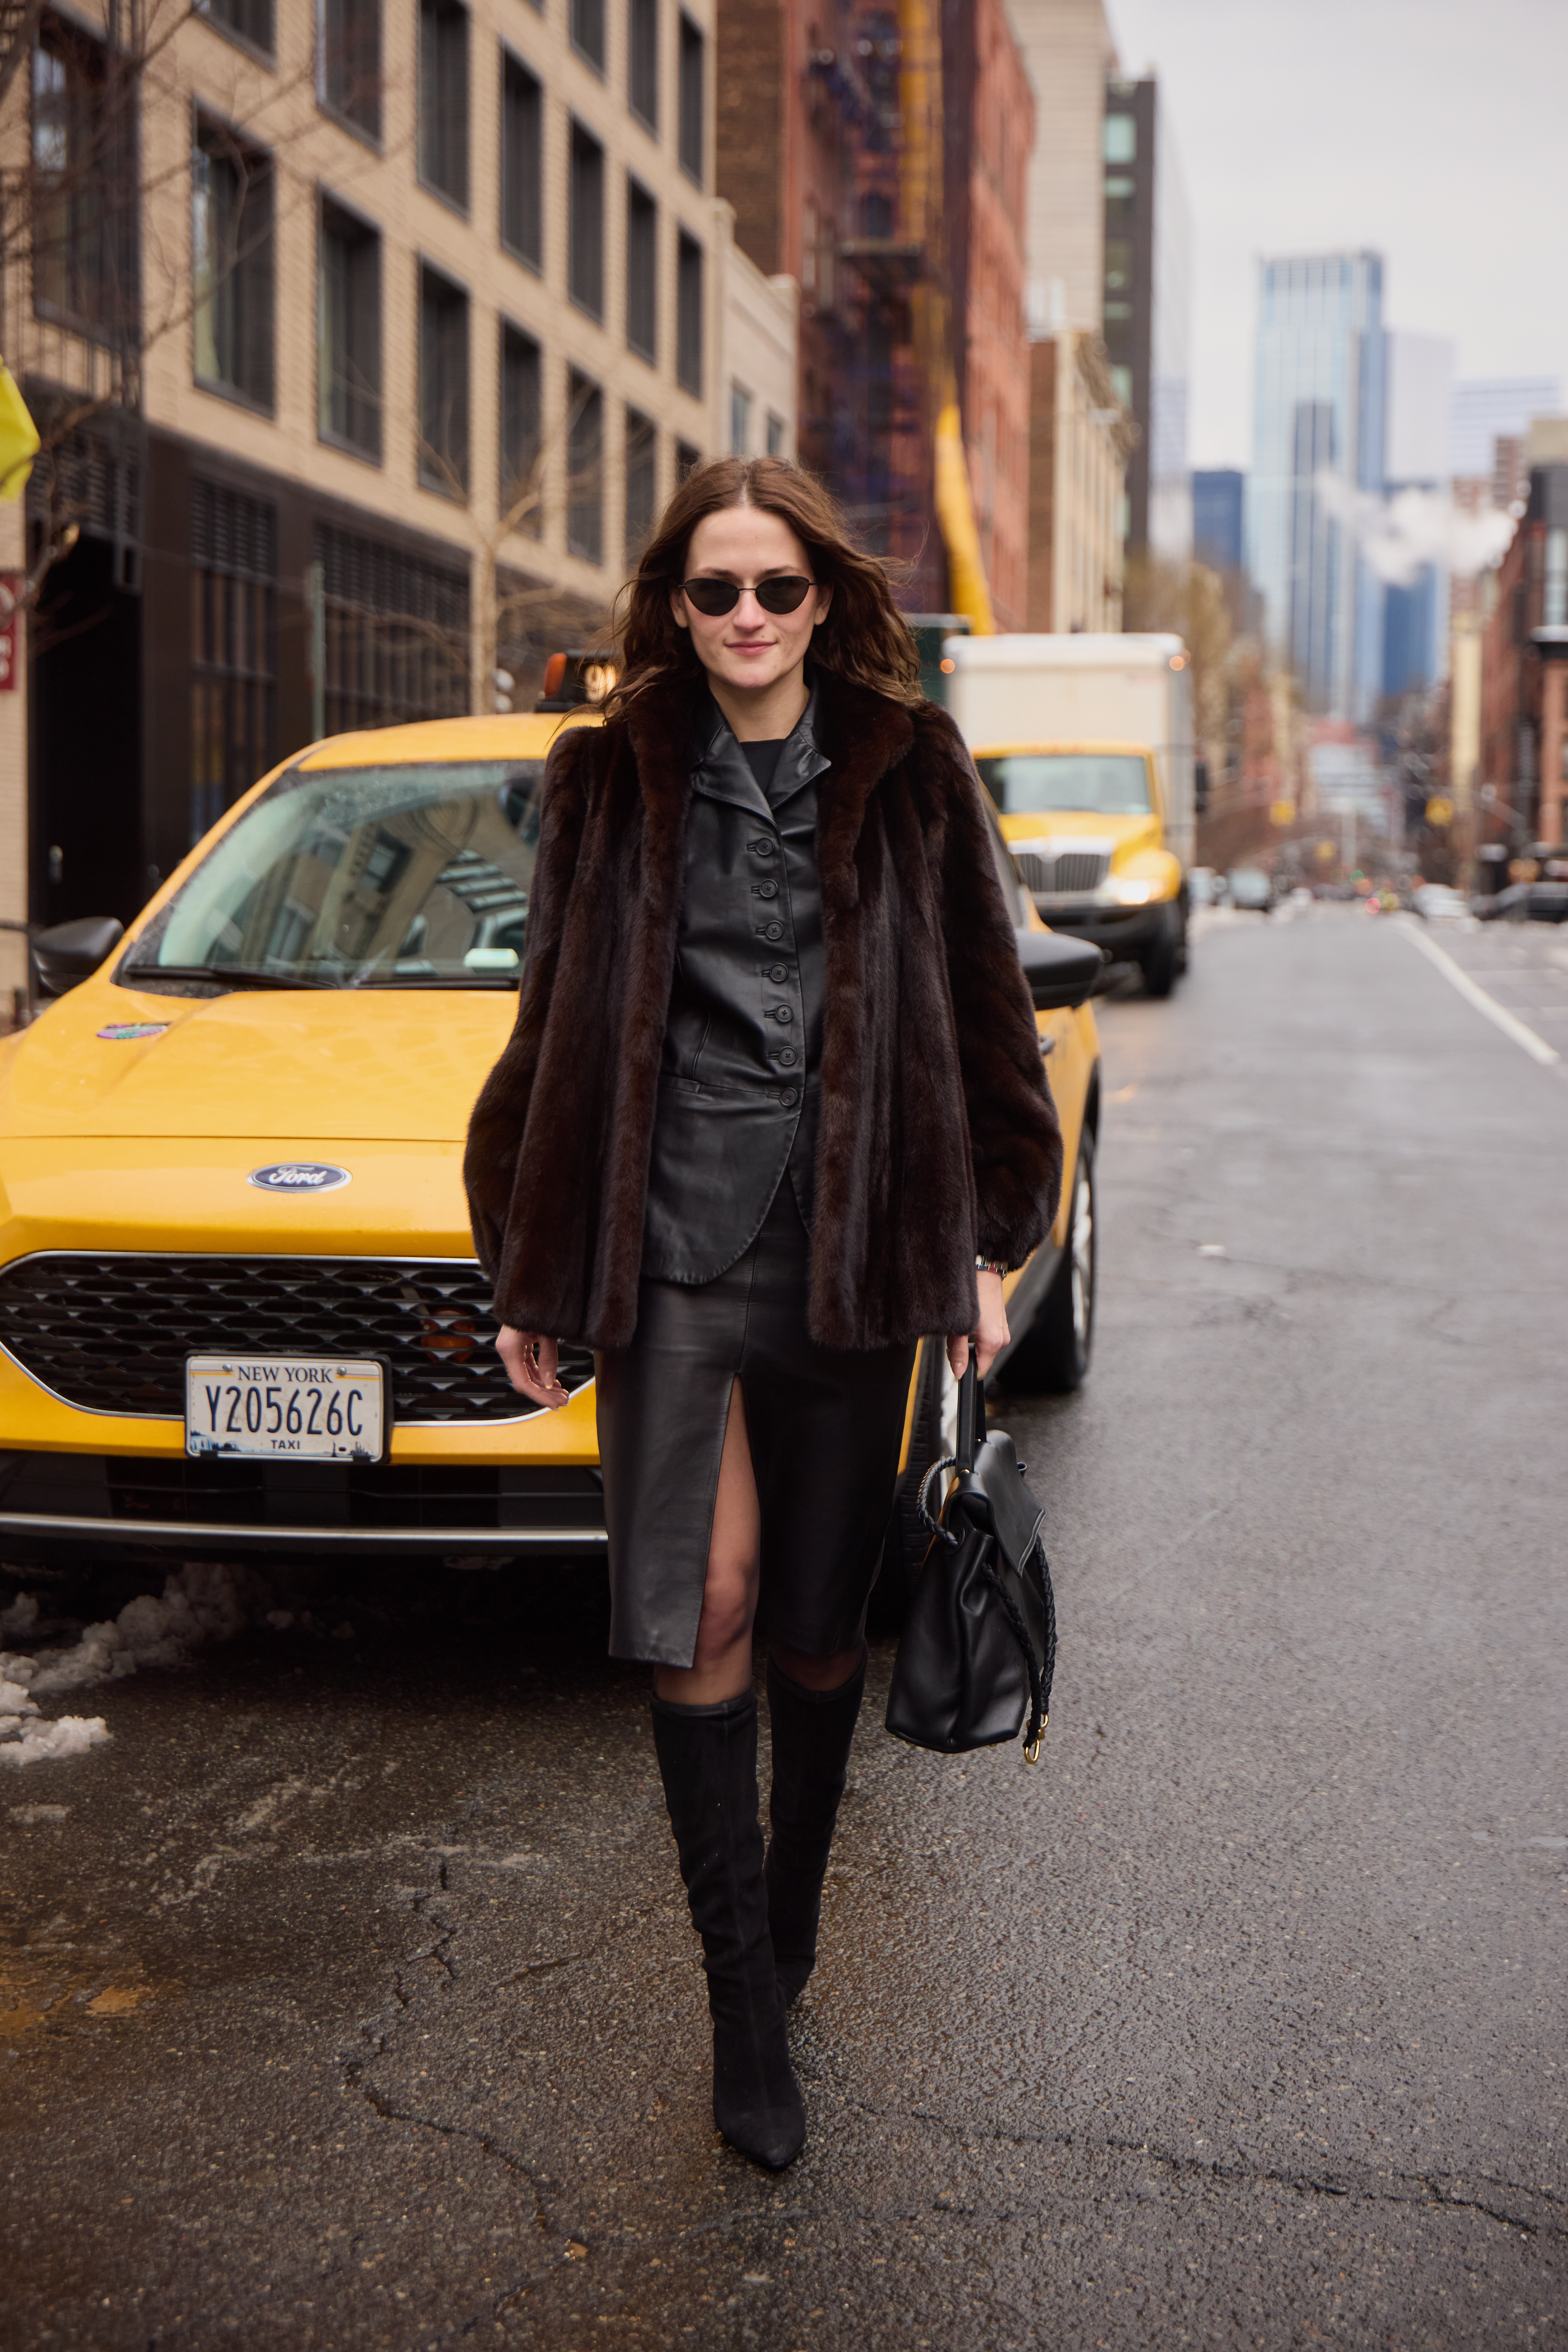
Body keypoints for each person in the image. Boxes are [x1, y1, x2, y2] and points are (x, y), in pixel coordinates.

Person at [464, 458, 1061, 2172]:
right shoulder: (602, 782)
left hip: (856, 1250)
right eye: (712, 588)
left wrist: (992, 1240)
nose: (742, 616)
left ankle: (788, 1915)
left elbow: (986, 1016)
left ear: (822, 603)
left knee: (812, 1622)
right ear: (670, 604)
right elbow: (550, 1026)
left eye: (773, 590)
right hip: (665, 1253)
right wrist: (528, 1255)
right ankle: (742, 2009)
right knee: (698, 1597)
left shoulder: (912, 770)